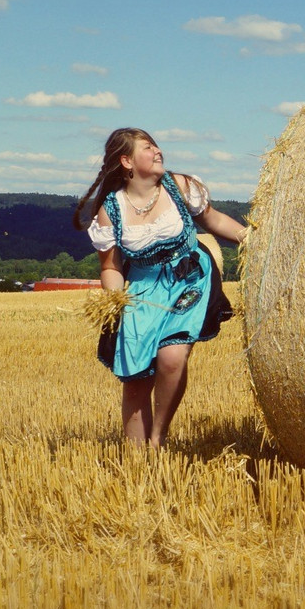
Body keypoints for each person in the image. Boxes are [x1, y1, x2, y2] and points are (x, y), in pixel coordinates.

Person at [72, 127, 249, 447]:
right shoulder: (110, 209)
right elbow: (110, 266)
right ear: (126, 161)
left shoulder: (180, 186)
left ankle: (159, 436)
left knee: (171, 357)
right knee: (136, 381)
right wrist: (115, 303)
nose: (157, 151)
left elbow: (214, 220)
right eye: (147, 147)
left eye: (156, 146)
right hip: (143, 287)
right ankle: (141, 467)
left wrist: (253, 240)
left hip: (189, 278)